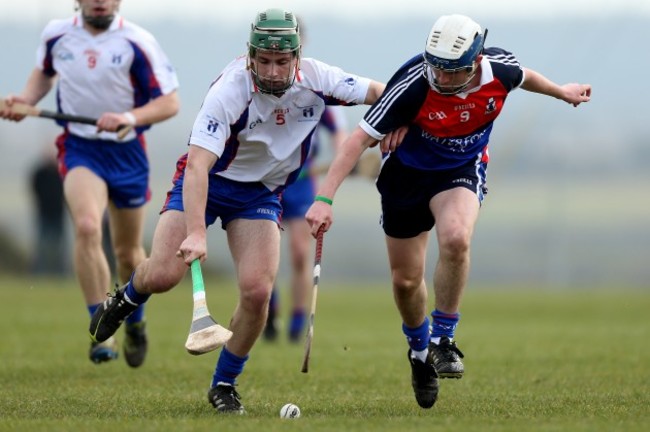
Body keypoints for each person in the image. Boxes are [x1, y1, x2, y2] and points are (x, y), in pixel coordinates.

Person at [88, 8, 384, 414]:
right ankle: (124, 299)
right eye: (264, 61)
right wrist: (195, 231)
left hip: (260, 195)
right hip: (208, 183)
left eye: (282, 62)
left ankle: (224, 384)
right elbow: (196, 166)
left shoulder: (319, 78)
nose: (274, 71)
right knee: (163, 274)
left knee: (258, 291)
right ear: (250, 56)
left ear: (297, 58)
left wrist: (396, 125)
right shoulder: (230, 89)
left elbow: (383, 93)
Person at [305, 14, 591, 409]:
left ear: (475, 61)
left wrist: (562, 91)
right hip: (406, 177)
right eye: (436, 66)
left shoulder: (498, 69)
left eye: (452, 71)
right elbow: (358, 140)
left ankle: (444, 338)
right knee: (406, 282)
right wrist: (325, 198)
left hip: (460, 170)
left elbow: (525, 76)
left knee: (456, 237)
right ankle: (419, 352)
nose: (441, 77)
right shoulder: (414, 84)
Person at [1, 0, 180, 367]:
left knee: (129, 253)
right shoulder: (57, 35)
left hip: (127, 153)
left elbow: (170, 102)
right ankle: (104, 331)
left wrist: (129, 116)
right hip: (80, 148)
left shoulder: (137, 41)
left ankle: (136, 323)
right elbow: (44, 74)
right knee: (85, 226)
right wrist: (25, 99)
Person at [264, 105, 349, 342]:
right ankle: (269, 309)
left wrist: (342, 161)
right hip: (268, 179)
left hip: (302, 184)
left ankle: (298, 317)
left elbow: (338, 132)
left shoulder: (322, 98)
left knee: (300, 253)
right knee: (265, 252)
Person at [30, 145, 67, 276]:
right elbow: (34, 189)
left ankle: (61, 272)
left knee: (60, 244)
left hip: (58, 213)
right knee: (41, 244)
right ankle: (39, 271)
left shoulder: (60, 173)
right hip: (44, 213)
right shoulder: (39, 173)